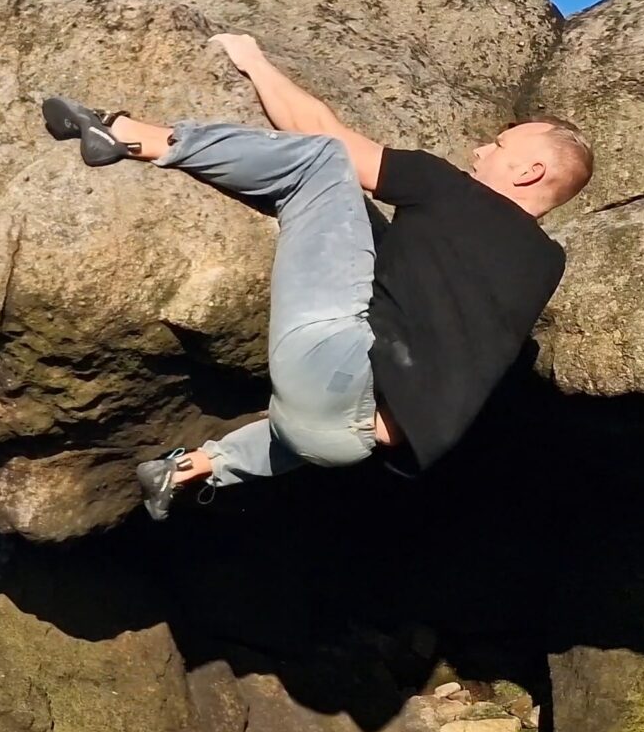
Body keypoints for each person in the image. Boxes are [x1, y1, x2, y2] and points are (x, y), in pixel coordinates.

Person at [41, 33, 592, 520]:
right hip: (349, 443)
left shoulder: (447, 188)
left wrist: (253, 60)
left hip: (328, 368)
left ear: (529, 171)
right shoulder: (546, 265)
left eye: (498, 145)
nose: (479, 149)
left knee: (321, 162)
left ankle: (124, 133)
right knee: (310, 419)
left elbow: (324, 137)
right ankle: (190, 469)